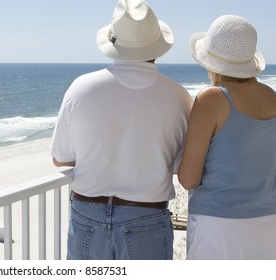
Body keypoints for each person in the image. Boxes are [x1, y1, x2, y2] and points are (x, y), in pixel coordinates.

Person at [51, 0, 192, 260]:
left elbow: (61, 158)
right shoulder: (179, 97)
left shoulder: (81, 88)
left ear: (114, 44)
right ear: (156, 46)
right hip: (146, 216)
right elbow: (180, 165)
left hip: (86, 213)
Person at [178, 15, 276, 259]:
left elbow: (189, 179)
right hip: (269, 224)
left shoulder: (211, 99)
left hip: (220, 226)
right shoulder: (272, 97)